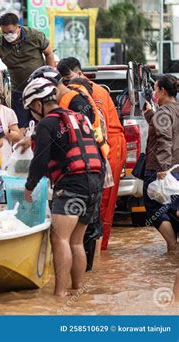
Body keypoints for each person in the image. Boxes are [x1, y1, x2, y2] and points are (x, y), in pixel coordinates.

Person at [23, 78, 102, 296]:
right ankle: (77, 292)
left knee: (60, 239)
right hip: (94, 182)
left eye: (31, 109)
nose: (32, 113)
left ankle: (59, 295)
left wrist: (29, 187)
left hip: (71, 185)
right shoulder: (79, 117)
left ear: (38, 104)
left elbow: (39, 160)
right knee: (77, 241)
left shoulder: (47, 123)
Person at [58, 57, 127, 251]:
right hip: (100, 146)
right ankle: (93, 250)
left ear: (80, 74)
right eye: (63, 80)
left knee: (103, 202)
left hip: (110, 145)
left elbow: (98, 127)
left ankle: (99, 250)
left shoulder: (93, 93)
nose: (67, 83)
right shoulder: (73, 94)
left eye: (69, 78)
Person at [0, 12, 55, 131]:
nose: (8, 35)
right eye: (4, 33)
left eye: (11, 32)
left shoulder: (35, 35)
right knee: (21, 127)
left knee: (45, 124)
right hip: (19, 92)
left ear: (19, 27)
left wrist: (50, 78)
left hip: (40, 89)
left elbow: (49, 53)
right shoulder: (0, 44)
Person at [142, 74, 179, 252]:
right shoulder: (173, 110)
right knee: (173, 205)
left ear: (163, 90)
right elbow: (162, 126)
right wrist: (150, 113)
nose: (155, 94)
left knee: (153, 206)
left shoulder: (163, 112)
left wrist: (163, 168)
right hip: (177, 167)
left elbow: (164, 139)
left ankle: (172, 246)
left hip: (161, 168)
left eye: (156, 90)